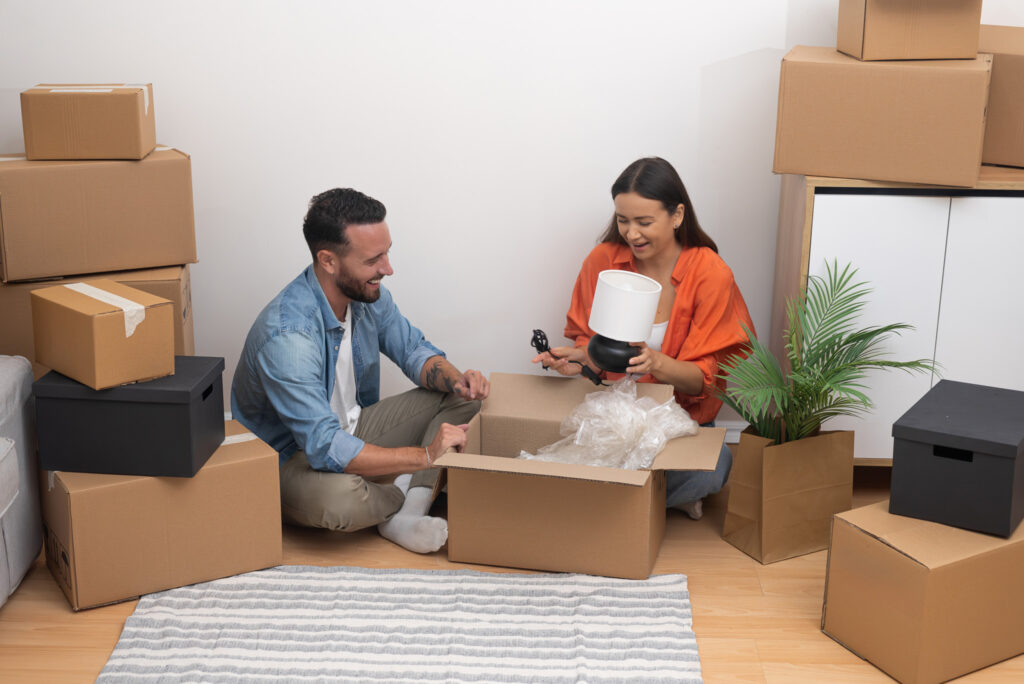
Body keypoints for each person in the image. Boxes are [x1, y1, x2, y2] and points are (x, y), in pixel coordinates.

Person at [232, 188, 489, 554]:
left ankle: (404, 514)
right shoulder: (287, 336)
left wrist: (458, 380)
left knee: (464, 402)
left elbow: (413, 350)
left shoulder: (369, 296)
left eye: (387, 253)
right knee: (342, 501)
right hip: (290, 460)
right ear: (328, 260)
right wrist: (425, 457)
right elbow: (323, 446)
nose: (387, 269)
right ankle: (407, 490)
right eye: (373, 259)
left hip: (353, 427)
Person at [532, 157, 754, 520]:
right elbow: (593, 351)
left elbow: (705, 380)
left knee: (716, 463)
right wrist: (578, 360)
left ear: (677, 215)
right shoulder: (602, 261)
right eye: (623, 220)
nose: (631, 234)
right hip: (612, 413)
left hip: (680, 419)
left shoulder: (710, 273)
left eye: (644, 222)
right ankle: (644, 498)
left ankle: (596, 498)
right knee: (549, 436)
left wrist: (657, 363)